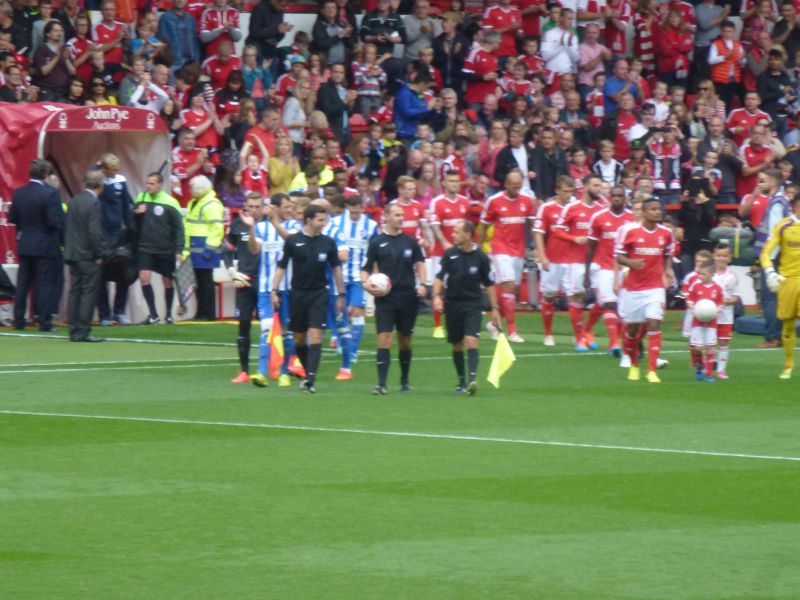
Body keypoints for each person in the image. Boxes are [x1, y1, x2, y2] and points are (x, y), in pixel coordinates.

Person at [271, 203, 344, 394]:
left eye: (325, 219)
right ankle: (307, 372)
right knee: (299, 338)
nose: (324, 223)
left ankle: (310, 379)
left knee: (316, 334)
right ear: (309, 220)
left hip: (319, 293)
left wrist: (341, 294)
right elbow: (282, 266)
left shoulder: (328, 242)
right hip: (298, 294)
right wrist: (274, 289)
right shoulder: (293, 241)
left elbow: (337, 268)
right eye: (320, 220)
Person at [363, 203, 427, 394]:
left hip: (407, 297)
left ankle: (404, 380)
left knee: (405, 339)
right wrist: (365, 284)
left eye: (402, 215)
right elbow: (367, 268)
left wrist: (423, 284)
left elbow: (420, 263)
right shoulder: (376, 242)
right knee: (384, 338)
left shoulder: (410, 241)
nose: (401, 218)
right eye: (397, 215)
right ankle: (381, 384)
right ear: (387, 217)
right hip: (386, 299)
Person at [433, 218, 500, 395]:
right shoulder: (450, 255)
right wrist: (437, 297)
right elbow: (440, 277)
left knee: (471, 340)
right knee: (456, 345)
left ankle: (472, 380)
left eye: (457, 232)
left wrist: (495, 308)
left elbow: (489, 283)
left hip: (473, 304)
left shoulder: (481, 257)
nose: (453, 235)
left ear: (468, 235)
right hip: (453, 304)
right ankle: (461, 381)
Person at [615, 197, 676, 383]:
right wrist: (631, 262)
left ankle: (651, 371)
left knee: (654, 323)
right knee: (632, 332)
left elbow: (668, 254)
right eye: (654, 209)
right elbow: (619, 256)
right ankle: (634, 365)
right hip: (633, 289)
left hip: (655, 288)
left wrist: (666, 272)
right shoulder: (629, 231)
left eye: (659, 209)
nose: (658, 212)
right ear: (644, 212)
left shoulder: (666, 233)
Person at [250, 193, 304, 386]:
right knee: (266, 329)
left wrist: (274, 222)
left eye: (291, 206)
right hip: (266, 287)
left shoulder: (295, 225)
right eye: (287, 206)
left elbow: (291, 241)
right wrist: (250, 228)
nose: (290, 210)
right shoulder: (261, 227)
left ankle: (284, 372)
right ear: (275, 207)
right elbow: (254, 249)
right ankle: (261, 372)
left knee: (287, 331)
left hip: (288, 288)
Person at [478, 170, 536, 343]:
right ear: (506, 185)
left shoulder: (527, 201)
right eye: (514, 186)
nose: (517, 190)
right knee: (509, 286)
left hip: (518, 251)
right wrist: (479, 249)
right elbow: (483, 226)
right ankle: (512, 330)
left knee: (511, 292)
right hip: (500, 249)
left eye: (520, 186)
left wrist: (536, 247)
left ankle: (493, 324)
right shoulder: (494, 201)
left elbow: (533, 225)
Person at [8, 159, 63, 331]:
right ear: (46, 175)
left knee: (23, 283)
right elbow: (54, 221)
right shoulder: (50, 193)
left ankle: (18, 320)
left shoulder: (19, 193)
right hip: (44, 244)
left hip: (25, 243)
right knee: (44, 283)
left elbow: (12, 218)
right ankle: (44, 321)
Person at [553, 174, 604, 351]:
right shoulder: (572, 208)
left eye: (601, 186)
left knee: (605, 299)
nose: (599, 189)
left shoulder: (602, 209)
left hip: (597, 261)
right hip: (575, 261)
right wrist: (574, 238)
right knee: (577, 299)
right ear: (585, 187)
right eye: (596, 185)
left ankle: (587, 330)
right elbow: (557, 231)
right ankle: (579, 338)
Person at [585, 186, 634, 355]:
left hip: (624, 268)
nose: (617, 199)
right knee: (609, 303)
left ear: (625, 199)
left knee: (618, 306)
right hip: (602, 266)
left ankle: (587, 329)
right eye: (614, 196)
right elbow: (590, 246)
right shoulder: (598, 218)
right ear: (609, 197)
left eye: (620, 196)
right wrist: (586, 272)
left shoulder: (632, 219)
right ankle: (614, 343)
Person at [133, 173, 184, 325]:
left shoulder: (171, 202)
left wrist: (179, 250)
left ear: (160, 185)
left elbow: (179, 228)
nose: (149, 186)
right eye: (147, 183)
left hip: (165, 248)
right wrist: (136, 212)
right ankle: (153, 314)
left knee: (167, 281)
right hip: (145, 247)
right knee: (144, 277)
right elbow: (132, 220)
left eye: (152, 183)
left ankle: (168, 314)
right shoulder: (141, 199)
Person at [227, 192, 266, 384]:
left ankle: (274, 367)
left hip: (265, 281)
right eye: (251, 206)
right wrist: (231, 270)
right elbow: (227, 248)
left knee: (269, 325)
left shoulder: (268, 224)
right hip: (244, 280)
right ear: (246, 206)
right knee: (243, 325)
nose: (254, 210)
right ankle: (244, 371)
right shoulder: (237, 224)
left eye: (258, 206)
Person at [64, 171, 108, 343]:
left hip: (74, 253)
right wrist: (99, 254)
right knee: (88, 293)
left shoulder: (73, 201)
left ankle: (73, 329)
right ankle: (83, 330)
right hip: (88, 255)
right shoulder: (94, 203)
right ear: (100, 186)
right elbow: (94, 232)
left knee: (74, 292)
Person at [760, 192, 800, 379]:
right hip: (788, 280)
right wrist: (770, 272)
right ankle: (788, 365)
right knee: (789, 324)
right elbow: (765, 253)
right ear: (794, 207)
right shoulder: (783, 226)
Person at [429, 170, 470, 339]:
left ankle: (458, 322)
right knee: (440, 287)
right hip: (441, 253)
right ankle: (438, 325)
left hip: (461, 254)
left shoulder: (465, 202)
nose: (454, 184)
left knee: (459, 287)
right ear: (444, 183)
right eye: (451, 180)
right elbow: (435, 225)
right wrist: (444, 242)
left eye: (456, 181)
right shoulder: (437, 203)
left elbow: (469, 228)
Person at [339, 195, 378, 365]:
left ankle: (353, 351)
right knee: (339, 314)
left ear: (363, 208)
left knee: (357, 311)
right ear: (347, 207)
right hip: (339, 276)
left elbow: (375, 252)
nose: (354, 215)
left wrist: (375, 275)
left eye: (357, 212)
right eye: (351, 212)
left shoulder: (371, 226)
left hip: (359, 277)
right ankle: (342, 342)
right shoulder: (336, 223)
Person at [96, 153, 134, 326]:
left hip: (119, 236)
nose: (115, 172)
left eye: (116, 169)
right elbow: (91, 181)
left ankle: (119, 311)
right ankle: (105, 315)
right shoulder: (99, 181)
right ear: (104, 168)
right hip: (103, 236)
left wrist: (130, 227)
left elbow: (127, 204)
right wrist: (97, 169)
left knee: (123, 274)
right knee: (101, 276)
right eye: (111, 169)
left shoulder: (121, 180)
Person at [754, 168, 789, 349]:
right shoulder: (782, 202)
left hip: (773, 258)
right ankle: (780, 336)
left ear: (773, 183)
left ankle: (772, 338)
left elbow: (774, 235)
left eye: (762, 181)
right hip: (780, 258)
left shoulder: (776, 204)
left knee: (769, 299)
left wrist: (767, 262)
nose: (759, 185)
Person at [184, 175, 224, 321]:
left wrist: (210, 248)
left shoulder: (211, 204)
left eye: (191, 187)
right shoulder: (194, 202)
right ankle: (201, 312)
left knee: (206, 282)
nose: (189, 190)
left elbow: (217, 228)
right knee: (198, 283)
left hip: (205, 248)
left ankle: (209, 313)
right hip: (196, 248)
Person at [686, 260, 724, 382]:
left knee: (710, 348)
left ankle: (708, 374)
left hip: (711, 324)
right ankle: (699, 366)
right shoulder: (696, 286)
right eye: (699, 274)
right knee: (697, 348)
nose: (700, 276)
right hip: (697, 323)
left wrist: (715, 311)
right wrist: (694, 309)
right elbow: (690, 300)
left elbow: (720, 303)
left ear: (711, 274)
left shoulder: (717, 288)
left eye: (703, 274)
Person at [712, 243, 740, 380]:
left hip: (725, 316)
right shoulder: (708, 273)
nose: (721, 258)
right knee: (709, 342)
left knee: (723, 342)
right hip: (709, 315)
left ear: (729, 258)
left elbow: (735, 297)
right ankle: (708, 365)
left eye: (724, 256)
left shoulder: (732, 276)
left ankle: (721, 370)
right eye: (718, 255)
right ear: (714, 257)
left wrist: (727, 301)